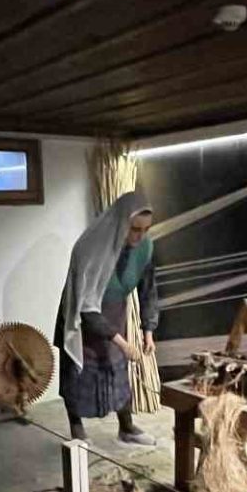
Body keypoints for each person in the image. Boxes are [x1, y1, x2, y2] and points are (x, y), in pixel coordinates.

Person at [55, 190, 161, 444]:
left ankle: (127, 428)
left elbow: (148, 289)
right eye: (135, 229)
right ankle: (77, 431)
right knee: (78, 374)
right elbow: (86, 308)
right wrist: (123, 343)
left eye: (146, 229)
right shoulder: (90, 248)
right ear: (121, 222)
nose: (140, 236)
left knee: (117, 370)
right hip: (82, 319)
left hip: (115, 313)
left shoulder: (144, 247)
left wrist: (148, 330)